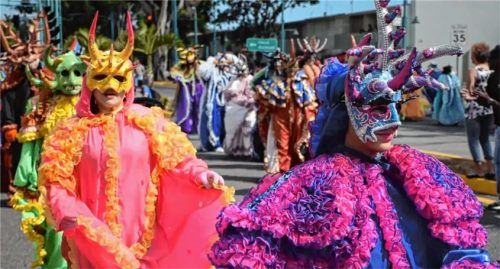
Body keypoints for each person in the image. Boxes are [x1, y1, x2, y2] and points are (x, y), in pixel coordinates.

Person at [209, 1, 497, 267]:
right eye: (380, 108)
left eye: (395, 106)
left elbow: (459, 247)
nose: (395, 121)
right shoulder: (310, 181)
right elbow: (253, 245)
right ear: (346, 112)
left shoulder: (415, 174)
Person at [38, 12, 232, 268]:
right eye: (102, 77)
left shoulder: (146, 121)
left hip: (142, 236)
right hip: (94, 238)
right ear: (90, 85)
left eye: (119, 78)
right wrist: (65, 210)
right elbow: (56, 181)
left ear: (128, 84)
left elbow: (178, 161)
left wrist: (201, 175)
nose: (111, 85)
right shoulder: (71, 131)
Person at [10, 48, 85, 268]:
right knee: (58, 236)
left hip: (88, 180)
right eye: (65, 74)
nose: (72, 81)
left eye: (78, 73)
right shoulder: (41, 106)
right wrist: (26, 173)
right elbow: (31, 143)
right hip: (54, 183)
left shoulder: (94, 104)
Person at [461, 42, 494, 178]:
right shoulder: (493, 71)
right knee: (485, 139)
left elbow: (470, 91)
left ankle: (479, 169)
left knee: (473, 139)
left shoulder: (473, 71)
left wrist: (466, 95)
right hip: (489, 110)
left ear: (475, 56)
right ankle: (491, 169)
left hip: (474, 110)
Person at [198, 52, 239, 152]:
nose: (225, 65)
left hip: (226, 103)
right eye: (222, 62)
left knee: (224, 124)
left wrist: (232, 61)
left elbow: (238, 68)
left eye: (227, 63)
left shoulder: (231, 74)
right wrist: (212, 62)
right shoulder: (213, 72)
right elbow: (203, 72)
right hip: (212, 103)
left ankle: (222, 142)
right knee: (212, 122)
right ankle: (212, 144)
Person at [477, 44, 500, 211]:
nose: (490, 61)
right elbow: (486, 100)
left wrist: (489, 100)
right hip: (499, 125)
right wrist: (475, 97)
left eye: (493, 58)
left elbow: (491, 100)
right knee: (498, 162)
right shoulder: (493, 78)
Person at [223, 54, 257, 157]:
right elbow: (228, 94)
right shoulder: (234, 81)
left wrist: (249, 102)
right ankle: (232, 150)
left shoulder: (251, 79)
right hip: (234, 108)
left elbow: (253, 94)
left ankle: (247, 151)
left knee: (248, 129)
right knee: (231, 130)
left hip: (249, 108)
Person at [169, 46, 205, 134]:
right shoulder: (181, 65)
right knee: (185, 107)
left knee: (198, 107)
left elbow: (204, 73)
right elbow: (173, 72)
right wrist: (178, 77)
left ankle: (198, 127)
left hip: (198, 88)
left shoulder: (200, 64)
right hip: (185, 88)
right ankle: (186, 127)